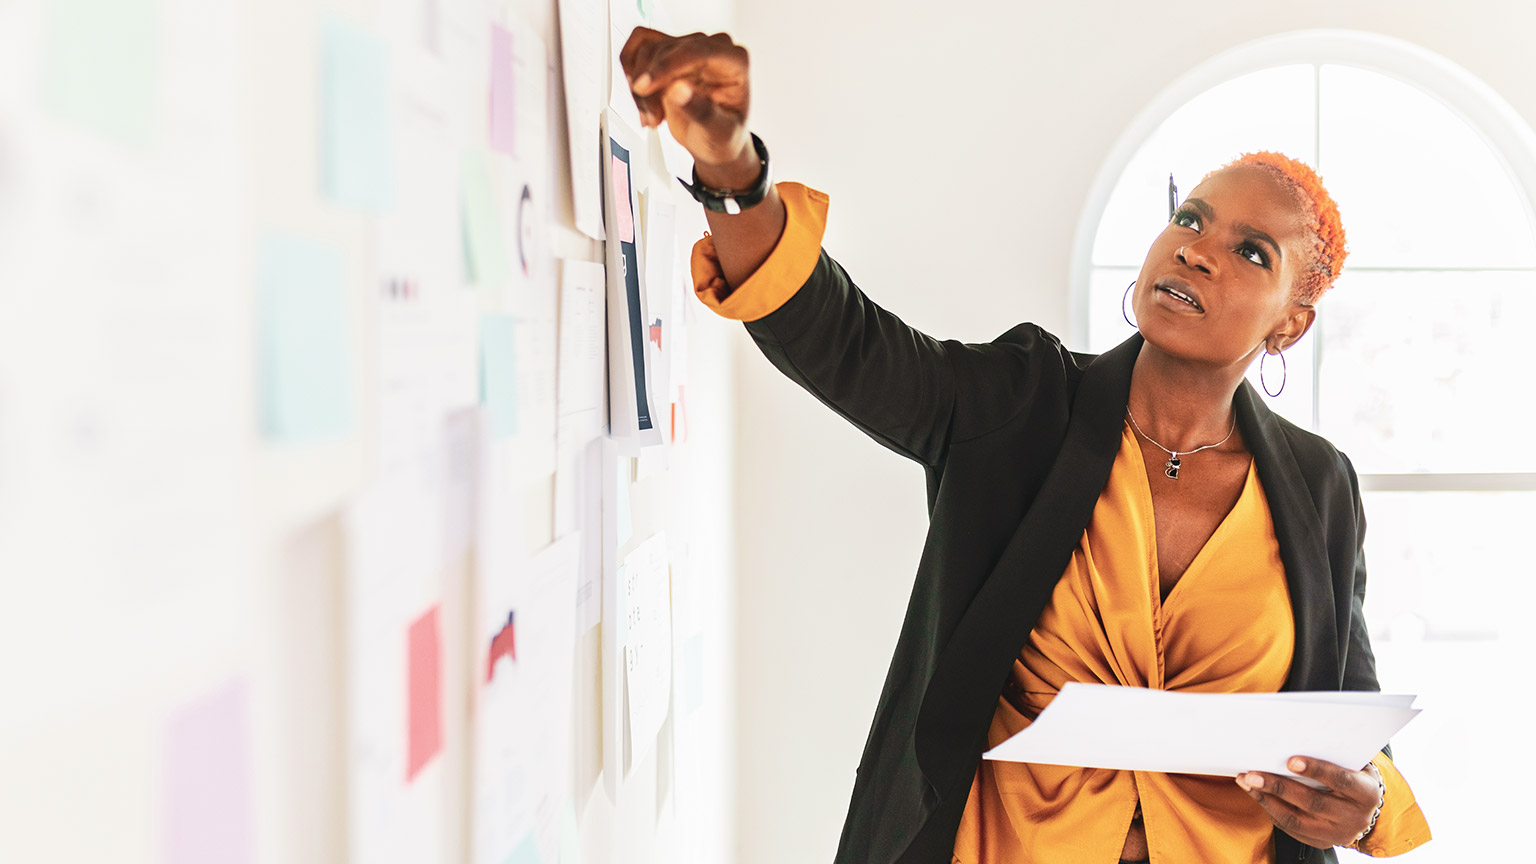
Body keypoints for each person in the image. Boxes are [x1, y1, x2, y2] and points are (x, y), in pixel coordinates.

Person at [619, 27, 1433, 864]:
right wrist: (731, 171)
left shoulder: (1316, 481)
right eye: (1189, 217)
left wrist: (1366, 811)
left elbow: (1347, 712)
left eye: (1250, 252)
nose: (1194, 248)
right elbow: (839, 339)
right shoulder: (1022, 400)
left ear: (1290, 323)